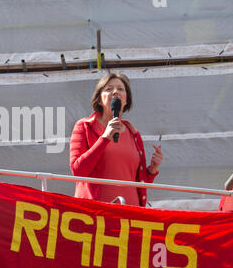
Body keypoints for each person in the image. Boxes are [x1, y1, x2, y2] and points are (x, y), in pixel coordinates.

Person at [69, 73, 163, 206]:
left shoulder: (134, 134)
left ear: (126, 100)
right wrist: (105, 138)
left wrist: (152, 170)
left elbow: (138, 183)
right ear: (100, 100)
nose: (115, 92)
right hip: (96, 214)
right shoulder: (84, 126)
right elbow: (78, 171)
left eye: (120, 89)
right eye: (109, 89)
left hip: (130, 213)